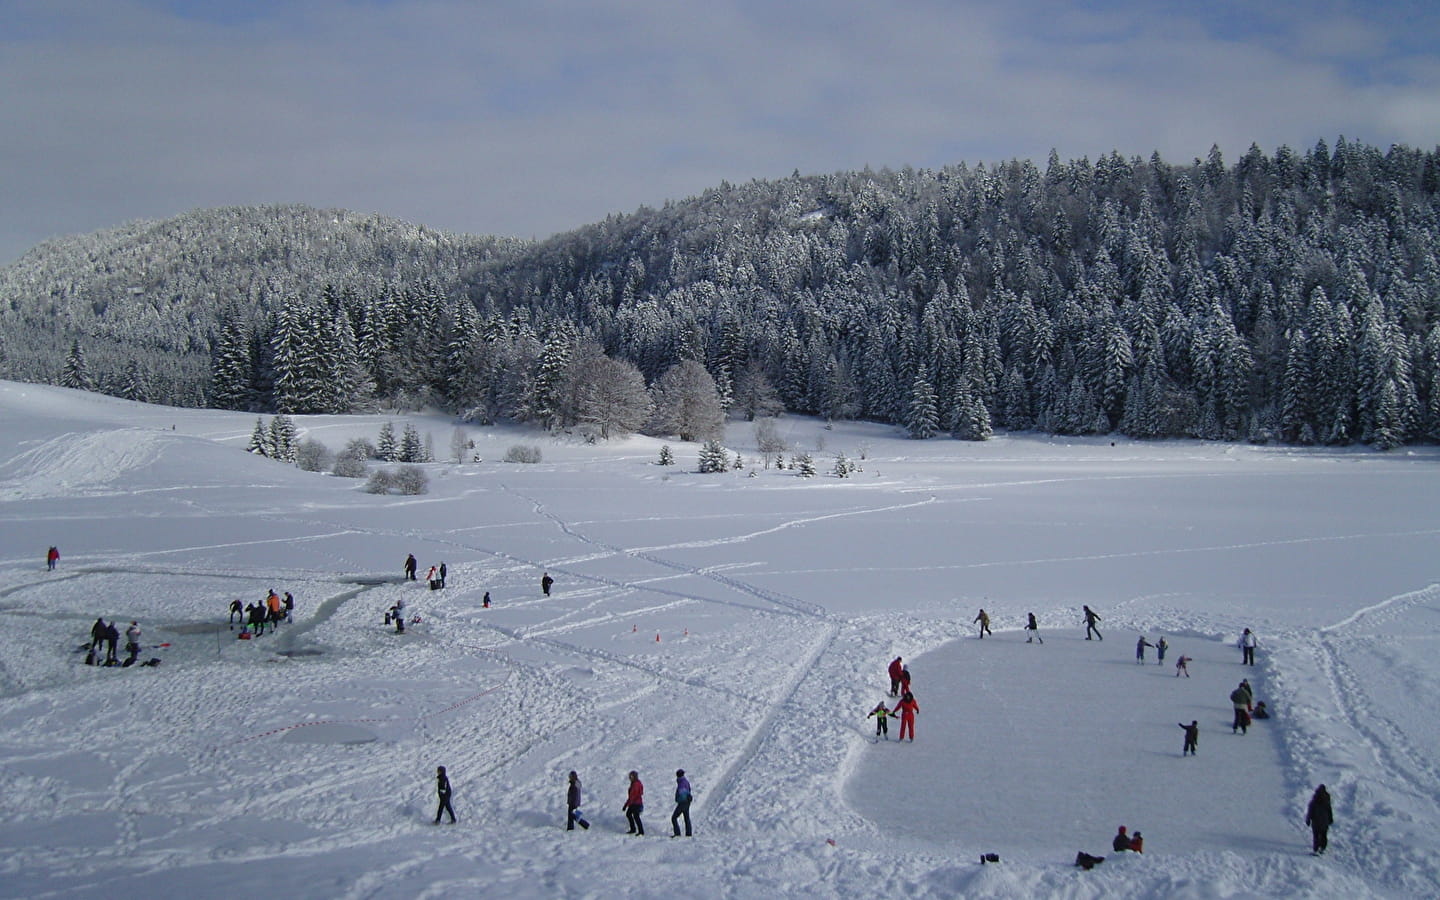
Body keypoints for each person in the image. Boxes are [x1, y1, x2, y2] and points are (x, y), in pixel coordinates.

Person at [1305, 784, 1333, 855]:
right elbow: (1329, 811)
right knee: (1324, 835)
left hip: (1316, 821)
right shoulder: (1327, 801)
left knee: (1316, 836)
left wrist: (1308, 819)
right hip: (1324, 821)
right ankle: (1322, 848)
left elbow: (1310, 811)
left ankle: (1316, 849)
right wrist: (1330, 819)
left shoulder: (1314, 800)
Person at [671, 769, 693, 837]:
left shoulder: (681, 783)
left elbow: (682, 794)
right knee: (686, 818)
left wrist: (678, 799)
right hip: (687, 802)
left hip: (683, 802)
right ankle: (688, 834)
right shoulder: (685, 781)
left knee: (674, 818)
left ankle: (677, 834)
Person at [623, 770, 644, 835]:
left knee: (635, 816)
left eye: (631, 776)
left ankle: (640, 831)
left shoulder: (635, 784)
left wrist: (626, 805)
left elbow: (632, 796)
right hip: (636, 803)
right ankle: (634, 829)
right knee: (630, 815)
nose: (629, 778)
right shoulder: (637, 783)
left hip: (635, 803)